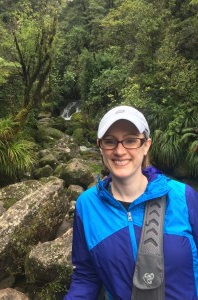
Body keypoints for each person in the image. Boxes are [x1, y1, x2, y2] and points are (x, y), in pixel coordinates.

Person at [64, 105, 198, 300]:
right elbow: (87, 276)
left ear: (146, 145)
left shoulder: (184, 196)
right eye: (110, 142)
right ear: (100, 147)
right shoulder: (87, 205)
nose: (120, 151)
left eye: (130, 141)